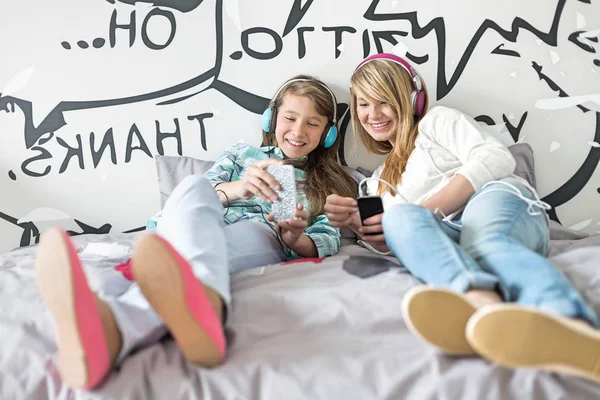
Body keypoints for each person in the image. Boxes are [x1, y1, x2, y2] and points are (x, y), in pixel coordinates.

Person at [34, 75, 357, 389]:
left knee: (244, 234)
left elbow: (326, 239)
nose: (298, 131)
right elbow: (200, 195)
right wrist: (239, 188)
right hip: (195, 225)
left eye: (312, 124)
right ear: (271, 118)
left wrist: (293, 238)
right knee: (191, 186)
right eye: (290, 118)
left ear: (328, 134)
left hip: (256, 233)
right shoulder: (239, 156)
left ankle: (111, 326)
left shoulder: (332, 183)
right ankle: (202, 303)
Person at [324, 53, 600, 383]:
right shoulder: (377, 181)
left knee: (486, 244)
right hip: (449, 234)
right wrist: (362, 225)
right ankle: (482, 304)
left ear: (412, 99)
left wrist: (424, 211)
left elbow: (495, 157)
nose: (373, 114)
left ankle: (575, 329)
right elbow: (402, 244)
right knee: (399, 221)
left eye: (384, 101)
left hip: (494, 200)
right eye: (364, 104)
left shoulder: (437, 123)